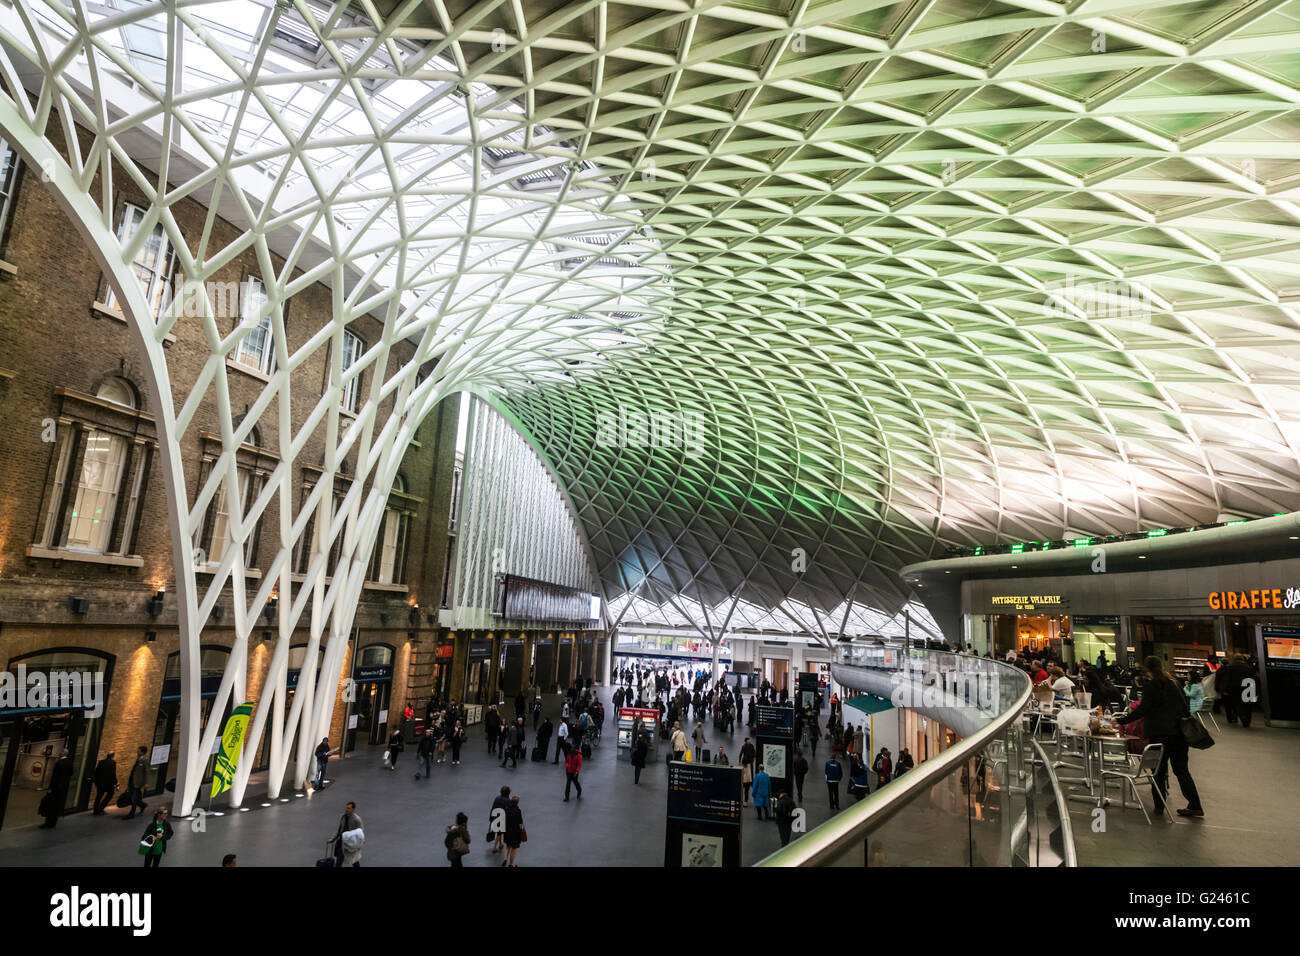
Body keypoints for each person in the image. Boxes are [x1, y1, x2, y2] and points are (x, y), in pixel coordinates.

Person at [1114, 656, 1204, 818]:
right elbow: (1185, 705)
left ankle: (1159, 806)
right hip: (1179, 734)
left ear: (1146, 670)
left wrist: (1120, 721)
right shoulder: (1174, 683)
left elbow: (1142, 710)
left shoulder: (1151, 686)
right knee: (1182, 770)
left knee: (1158, 771)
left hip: (1160, 735)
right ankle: (1195, 804)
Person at [39, 749, 74, 829]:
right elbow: (71, 773)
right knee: (57, 806)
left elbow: (54, 777)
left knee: (51, 805)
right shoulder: (69, 763)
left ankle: (48, 822)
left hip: (56, 787)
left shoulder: (59, 763)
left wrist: (50, 788)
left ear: (62, 754)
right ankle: (53, 822)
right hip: (63, 788)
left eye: (60, 752)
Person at [1221, 654, 1258, 727]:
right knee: (1248, 705)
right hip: (1248, 688)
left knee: (1238, 704)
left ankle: (1242, 718)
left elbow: (1228, 679)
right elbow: (1254, 678)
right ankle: (1247, 720)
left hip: (1235, 689)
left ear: (1234, 659)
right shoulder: (1248, 667)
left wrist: (1225, 690)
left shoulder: (1231, 667)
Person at [333, 801, 364, 867]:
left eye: (348, 808)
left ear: (353, 809)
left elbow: (360, 833)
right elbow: (339, 830)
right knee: (339, 861)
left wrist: (358, 844)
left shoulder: (357, 819)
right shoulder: (343, 817)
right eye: (346, 808)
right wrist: (332, 839)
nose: (346, 809)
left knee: (354, 861)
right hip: (342, 842)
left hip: (350, 843)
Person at [126, 746, 149, 819]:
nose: (137, 752)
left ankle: (131, 814)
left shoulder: (145, 760)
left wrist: (145, 783)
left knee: (134, 798)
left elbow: (146, 772)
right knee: (133, 797)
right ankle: (142, 805)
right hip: (133, 781)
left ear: (142, 752)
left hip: (137, 783)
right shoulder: (138, 759)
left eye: (138, 751)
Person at [502, 795, 524, 867]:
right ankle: (511, 864)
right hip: (515, 833)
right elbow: (520, 823)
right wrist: (522, 830)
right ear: (517, 803)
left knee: (507, 846)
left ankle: (505, 858)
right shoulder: (518, 811)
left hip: (507, 831)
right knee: (514, 848)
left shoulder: (506, 809)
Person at [489, 786, 511, 855]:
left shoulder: (497, 798)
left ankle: (501, 844)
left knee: (499, 832)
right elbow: (508, 811)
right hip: (501, 818)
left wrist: (491, 817)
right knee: (499, 832)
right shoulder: (508, 800)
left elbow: (493, 807)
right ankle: (494, 848)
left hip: (495, 816)